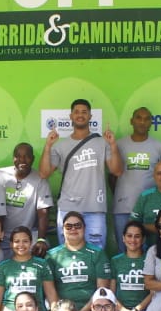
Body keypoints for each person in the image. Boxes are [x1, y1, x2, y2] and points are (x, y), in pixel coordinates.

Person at [40, 98, 123, 249]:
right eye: (76, 112)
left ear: (90, 116)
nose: (80, 115)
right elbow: (44, 173)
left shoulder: (102, 142)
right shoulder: (61, 145)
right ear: (70, 116)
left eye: (84, 112)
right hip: (68, 208)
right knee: (67, 255)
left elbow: (116, 170)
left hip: (95, 209)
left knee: (95, 255)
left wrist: (112, 144)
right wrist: (48, 146)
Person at [112, 106, 161, 245]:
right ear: (132, 121)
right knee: (124, 249)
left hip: (149, 210)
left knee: (151, 251)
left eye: (146, 119)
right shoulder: (118, 145)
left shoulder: (159, 147)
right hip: (123, 208)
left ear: (151, 122)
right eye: (138, 118)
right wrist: (121, 194)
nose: (142, 122)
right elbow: (112, 175)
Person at [0, 226, 57, 311]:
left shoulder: (41, 264)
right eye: (17, 241)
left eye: (25, 241)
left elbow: (51, 294)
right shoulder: (4, 266)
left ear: (31, 243)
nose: (21, 245)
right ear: (11, 244)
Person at [47, 210, 113, 311]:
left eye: (77, 226)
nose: (73, 229)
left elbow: (101, 290)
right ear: (62, 229)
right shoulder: (52, 256)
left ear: (84, 228)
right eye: (68, 226)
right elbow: (50, 290)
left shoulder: (97, 253)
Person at [0, 142, 53, 251]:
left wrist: (41, 240)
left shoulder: (40, 179)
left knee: (42, 247)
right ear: (13, 158)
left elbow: (43, 213)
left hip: (27, 237)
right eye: (18, 156)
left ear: (32, 159)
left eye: (26, 156)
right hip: (2, 236)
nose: (22, 160)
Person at [111, 219, 151, 311]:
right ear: (123, 238)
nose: (133, 240)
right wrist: (122, 309)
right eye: (129, 236)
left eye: (137, 236)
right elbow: (111, 292)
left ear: (143, 239)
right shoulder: (115, 261)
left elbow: (153, 292)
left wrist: (137, 309)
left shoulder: (150, 259)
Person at [130, 159, 161, 238]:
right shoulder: (145, 196)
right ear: (154, 177)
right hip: (151, 247)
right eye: (159, 173)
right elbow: (133, 223)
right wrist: (149, 227)